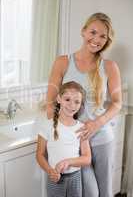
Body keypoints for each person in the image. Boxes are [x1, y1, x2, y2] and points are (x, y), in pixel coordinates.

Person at [46, 12, 122, 197]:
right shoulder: (63, 62)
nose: (96, 39)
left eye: (103, 36)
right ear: (83, 31)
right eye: (93, 32)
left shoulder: (110, 66)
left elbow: (118, 103)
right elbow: (50, 102)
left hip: (102, 138)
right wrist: (62, 133)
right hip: (74, 142)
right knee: (86, 192)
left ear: (107, 40)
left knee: (104, 191)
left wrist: (96, 123)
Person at [36, 81, 91, 197]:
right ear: (59, 99)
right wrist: (50, 171)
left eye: (77, 102)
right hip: (54, 178)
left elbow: (87, 159)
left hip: (75, 178)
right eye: (67, 99)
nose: (72, 105)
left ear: (81, 105)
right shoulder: (46, 125)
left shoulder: (81, 128)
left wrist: (68, 162)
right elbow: (39, 154)